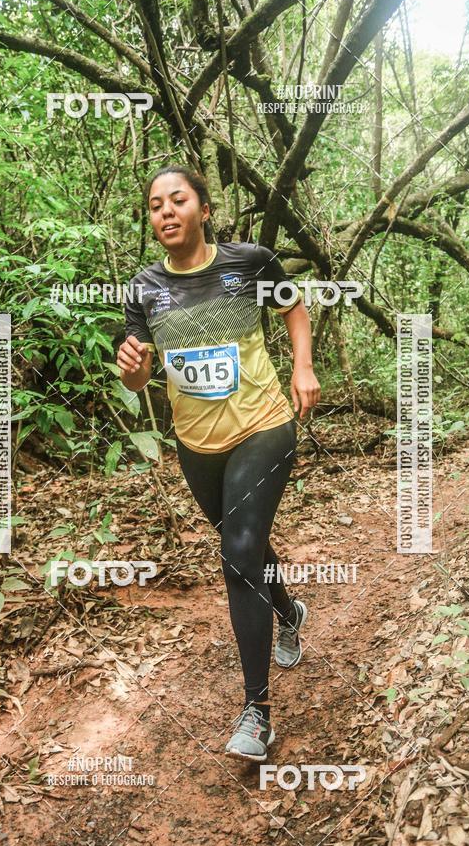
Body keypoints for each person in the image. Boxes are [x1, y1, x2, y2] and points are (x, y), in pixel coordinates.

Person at [116, 164, 321, 762]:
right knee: (246, 546)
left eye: (178, 200)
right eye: (156, 206)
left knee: (238, 552)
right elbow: (139, 373)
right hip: (196, 444)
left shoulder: (249, 263)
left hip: (262, 425)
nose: (166, 212)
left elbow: (294, 308)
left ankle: (256, 713)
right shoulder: (144, 288)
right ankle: (288, 610)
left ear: (204, 208)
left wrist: (302, 365)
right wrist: (133, 375)